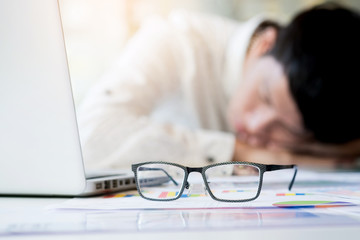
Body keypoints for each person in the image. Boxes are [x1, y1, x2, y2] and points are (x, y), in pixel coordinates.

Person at [78, 3, 360, 170]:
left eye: (286, 129)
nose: (256, 125)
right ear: (265, 44)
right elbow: (90, 136)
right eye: (265, 97)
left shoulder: (329, 107)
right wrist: (241, 153)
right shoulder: (176, 41)